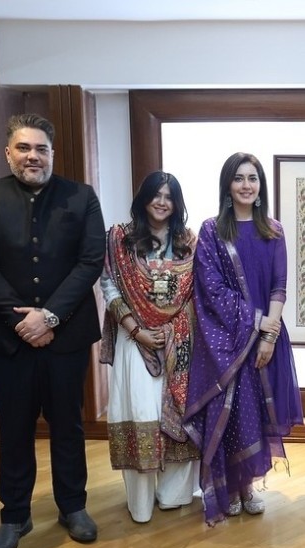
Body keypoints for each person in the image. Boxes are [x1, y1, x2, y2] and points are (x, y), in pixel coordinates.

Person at [0, 113, 106, 548]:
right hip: (6, 341)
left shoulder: (81, 197)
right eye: (24, 148)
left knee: (68, 424)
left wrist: (48, 317)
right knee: (14, 427)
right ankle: (14, 515)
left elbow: (90, 261)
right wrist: (21, 321)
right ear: (8, 153)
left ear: (52, 153)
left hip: (65, 338)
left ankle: (73, 506)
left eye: (41, 149)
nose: (33, 156)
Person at [185, 152, 304, 524]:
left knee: (256, 414)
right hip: (226, 340)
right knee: (233, 411)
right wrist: (255, 324)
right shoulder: (212, 231)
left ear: (260, 185)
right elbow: (212, 288)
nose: (246, 185)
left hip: (265, 336)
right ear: (228, 185)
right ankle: (229, 487)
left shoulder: (273, 230)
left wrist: (268, 333)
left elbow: (279, 285)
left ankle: (249, 485)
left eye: (253, 178)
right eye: (239, 178)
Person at [99, 172, 200, 522]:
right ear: (143, 198)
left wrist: (173, 327)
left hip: (179, 343)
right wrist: (136, 329)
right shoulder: (120, 238)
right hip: (135, 341)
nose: (162, 202)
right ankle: (140, 503)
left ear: (177, 203)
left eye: (169, 196)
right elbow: (109, 286)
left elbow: (196, 293)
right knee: (142, 412)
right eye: (156, 195)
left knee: (178, 412)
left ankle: (173, 494)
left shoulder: (189, 241)